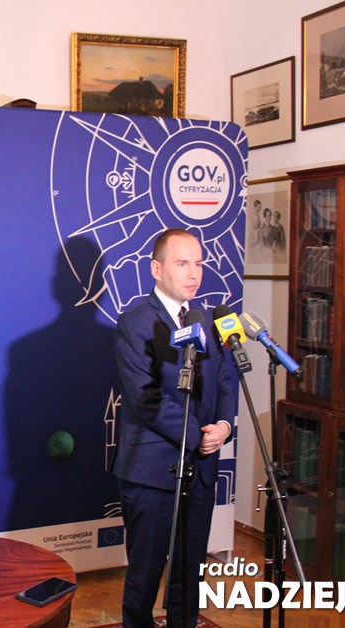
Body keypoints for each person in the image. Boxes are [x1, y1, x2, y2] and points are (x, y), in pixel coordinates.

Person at [111, 228, 236, 627]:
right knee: (145, 575)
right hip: (152, 471)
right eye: (182, 263)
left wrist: (224, 426)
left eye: (198, 264)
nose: (193, 273)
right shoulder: (135, 323)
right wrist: (199, 436)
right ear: (156, 268)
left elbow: (225, 383)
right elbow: (145, 397)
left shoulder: (209, 321)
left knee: (189, 572)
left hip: (201, 470)